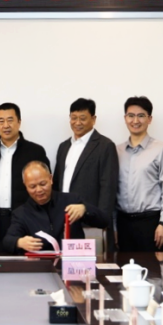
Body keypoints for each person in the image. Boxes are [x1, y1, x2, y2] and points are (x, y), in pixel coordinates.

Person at [0, 102, 51, 253]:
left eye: (10, 120)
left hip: (26, 221)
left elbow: (47, 189)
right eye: (1, 121)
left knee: (26, 265)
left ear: (19, 122)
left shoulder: (35, 152)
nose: (5, 125)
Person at [3, 161, 107, 253]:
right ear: (25, 185)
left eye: (43, 184)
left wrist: (85, 209)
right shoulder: (21, 213)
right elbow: (7, 241)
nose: (39, 190)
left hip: (74, 263)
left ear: (51, 179)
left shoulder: (71, 200)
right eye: (32, 186)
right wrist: (19, 242)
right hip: (41, 265)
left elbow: (104, 221)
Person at [115, 96, 163, 252]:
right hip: (123, 223)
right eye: (131, 115)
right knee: (123, 266)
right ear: (125, 118)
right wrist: (114, 226)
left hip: (151, 223)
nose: (135, 120)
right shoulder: (117, 151)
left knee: (152, 267)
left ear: (149, 119)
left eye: (141, 115)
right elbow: (113, 191)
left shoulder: (161, 148)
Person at [53, 97, 119, 231]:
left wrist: (101, 221)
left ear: (93, 119)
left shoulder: (105, 146)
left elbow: (108, 188)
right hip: (64, 220)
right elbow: (57, 184)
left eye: (82, 118)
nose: (77, 122)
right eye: (73, 118)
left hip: (90, 221)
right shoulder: (63, 147)